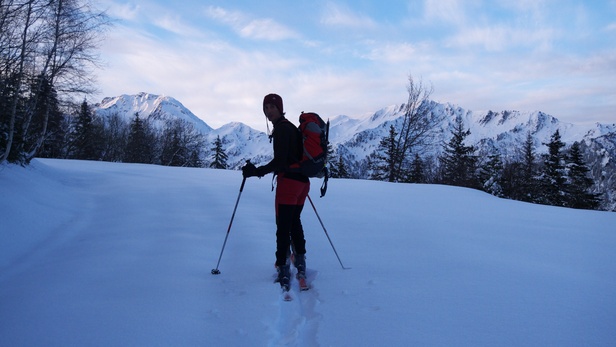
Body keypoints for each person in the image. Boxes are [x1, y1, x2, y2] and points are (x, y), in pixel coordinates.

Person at [242, 93, 309, 292]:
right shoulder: (291, 128)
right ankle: (300, 261)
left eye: (272, 107)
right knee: (294, 222)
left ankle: (283, 267)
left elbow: (280, 162)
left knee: (283, 226)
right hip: (302, 184)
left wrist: (256, 172)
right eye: (266, 108)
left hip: (288, 184)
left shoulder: (281, 130)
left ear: (280, 108)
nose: (268, 111)